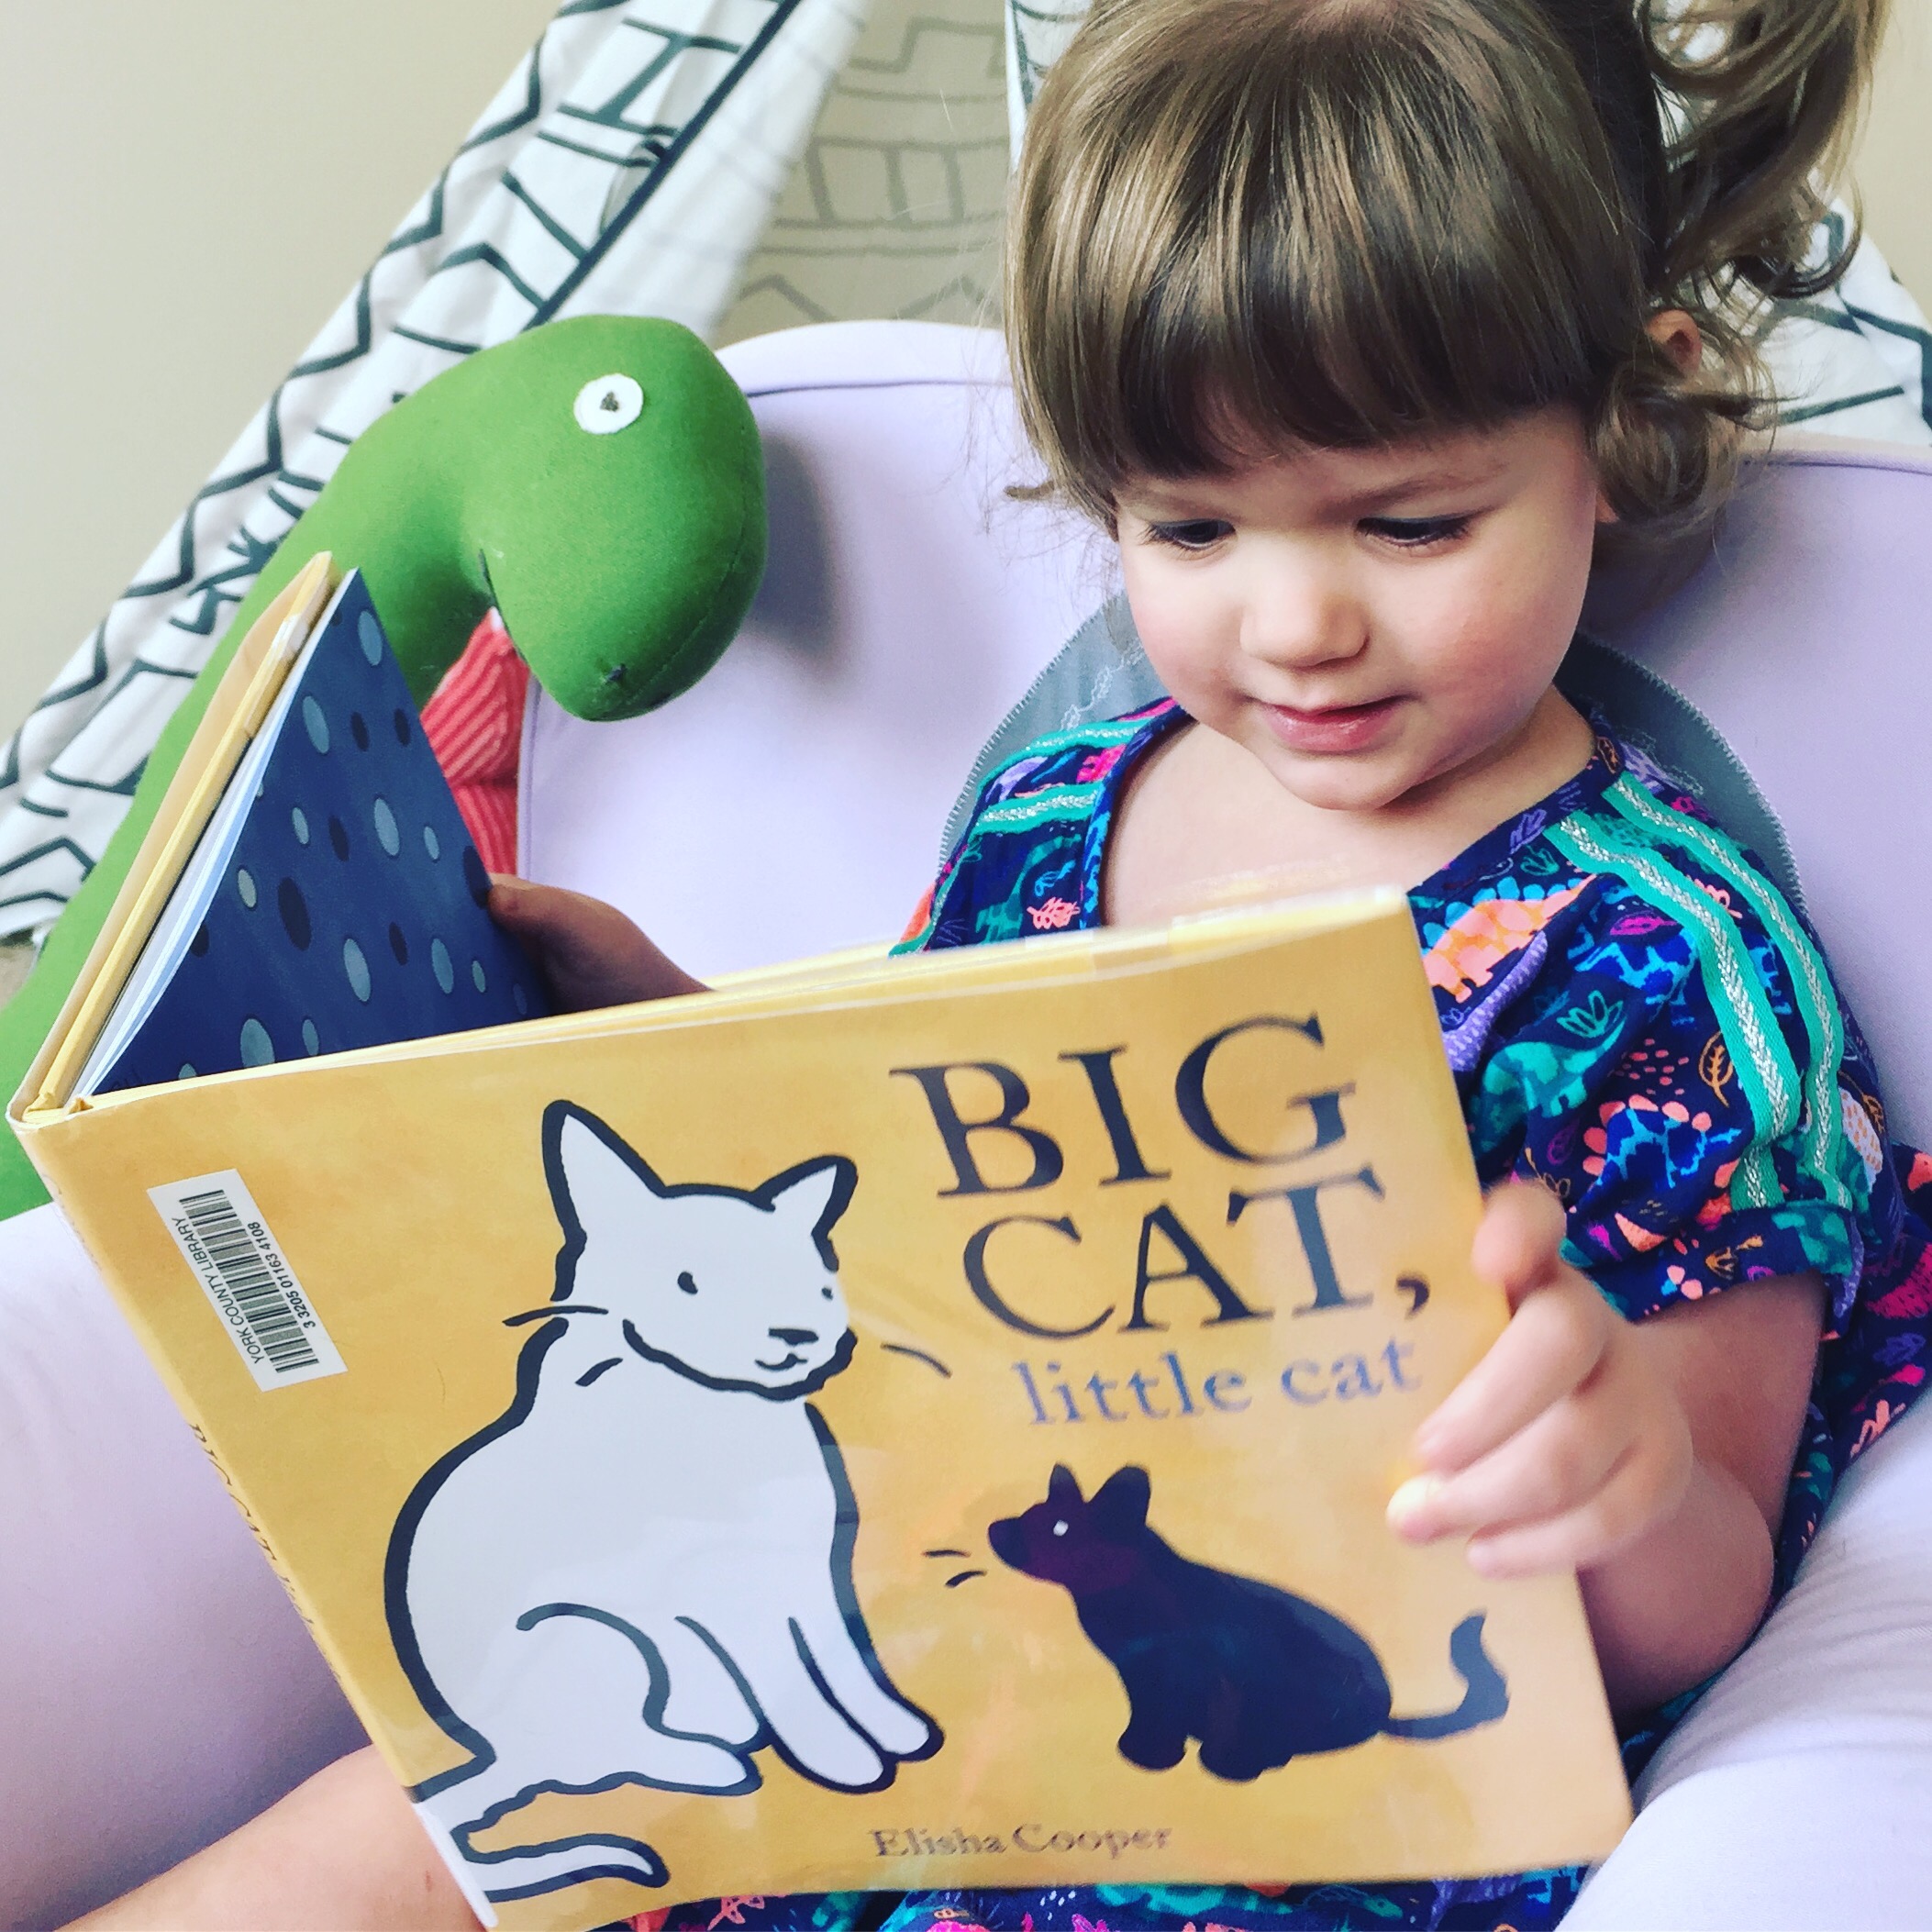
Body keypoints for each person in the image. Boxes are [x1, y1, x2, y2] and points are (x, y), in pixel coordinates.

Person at [73, 0, 1927, 1926]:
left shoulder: (1664, 962)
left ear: (1620, 417)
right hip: (909, 1665)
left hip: (1272, 1807)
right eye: (1189, 525)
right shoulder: (1056, 815)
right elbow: (897, 1169)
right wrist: (649, 1024)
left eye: (1408, 523)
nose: (1296, 619)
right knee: (397, 1819)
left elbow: (1715, 1594)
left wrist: (1619, 1472)